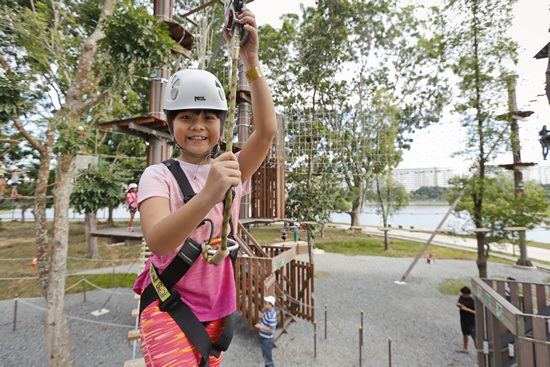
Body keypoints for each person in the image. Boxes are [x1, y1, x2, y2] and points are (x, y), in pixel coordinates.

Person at [133, 8, 277, 367]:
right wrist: (209, 194)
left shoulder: (231, 168)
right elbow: (159, 241)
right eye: (186, 117)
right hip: (168, 304)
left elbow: (266, 131)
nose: (197, 126)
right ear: (171, 124)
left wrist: (251, 59)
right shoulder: (158, 176)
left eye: (209, 117)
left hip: (218, 311)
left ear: (221, 122)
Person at [255, 295, 277, 367]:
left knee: (268, 360)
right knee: (265, 356)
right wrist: (263, 316)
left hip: (267, 340)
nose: (264, 304)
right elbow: (267, 320)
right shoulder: (267, 312)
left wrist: (260, 326)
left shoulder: (272, 315)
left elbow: (271, 330)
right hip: (264, 338)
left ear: (270, 305)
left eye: (265, 303)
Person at [456, 286, 477, 354]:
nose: (463, 296)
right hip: (463, 319)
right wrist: (459, 305)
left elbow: (476, 312)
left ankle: (479, 353)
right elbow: (459, 303)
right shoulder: (461, 297)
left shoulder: (473, 300)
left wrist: (467, 309)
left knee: (475, 337)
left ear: (468, 294)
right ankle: (465, 348)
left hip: (472, 321)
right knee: (465, 334)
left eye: (464, 295)